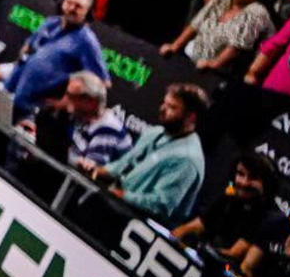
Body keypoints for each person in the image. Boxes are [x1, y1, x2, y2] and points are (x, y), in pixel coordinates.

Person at [80, 83, 208, 225]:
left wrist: (122, 195)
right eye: (165, 103)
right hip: (111, 206)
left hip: (135, 223)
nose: (163, 109)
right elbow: (124, 164)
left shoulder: (186, 159)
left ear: (191, 117)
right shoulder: (154, 132)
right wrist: (97, 170)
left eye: (172, 107)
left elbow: (160, 206)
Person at [0, 0, 107, 117]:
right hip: (11, 93)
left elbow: (101, 83)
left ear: (88, 12)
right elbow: (28, 49)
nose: (72, 8)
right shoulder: (51, 23)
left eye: (78, 6)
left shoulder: (87, 42)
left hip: (37, 110)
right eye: (69, 3)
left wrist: (64, 102)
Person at [172, 151, 285, 261]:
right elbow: (192, 227)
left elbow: (232, 254)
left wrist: (200, 250)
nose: (244, 182)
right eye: (240, 174)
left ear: (268, 184)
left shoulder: (271, 219)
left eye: (253, 178)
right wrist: (172, 241)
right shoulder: (228, 200)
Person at [160, 0, 273, 76]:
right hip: (194, 61)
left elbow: (237, 47)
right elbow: (194, 25)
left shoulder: (258, 12)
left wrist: (213, 64)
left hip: (221, 73)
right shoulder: (220, 1)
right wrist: (174, 46)